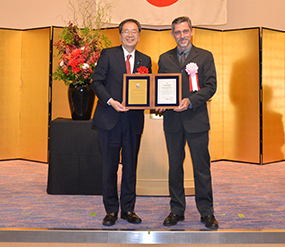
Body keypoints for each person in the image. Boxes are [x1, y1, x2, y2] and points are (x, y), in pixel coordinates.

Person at [156, 16, 219, 229]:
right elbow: (160, 86)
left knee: (201, 168)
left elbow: (211, 86)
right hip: (172, 122)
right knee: (175, 167)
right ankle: (176, 210)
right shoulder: (164, 58)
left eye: (185, 31)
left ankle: (207, 212)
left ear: (191, 31)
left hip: (196, 120)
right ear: (172, 34)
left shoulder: (205, 56)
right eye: (177, 32)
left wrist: (190, 101)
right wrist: (159, 102)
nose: (181, 36)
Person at [91, 19, 152, 226]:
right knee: (109, 167)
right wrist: (111, 101)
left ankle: (128, 209)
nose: (130, 35)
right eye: (126, 31)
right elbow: (96, 82)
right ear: (119, 35)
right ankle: (110, 210)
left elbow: (147, 88)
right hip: (109, 119)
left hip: (133, 122)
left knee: (130, 167)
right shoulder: (108, 55)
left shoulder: (145, 60)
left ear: (139, 35)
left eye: (134, 31)